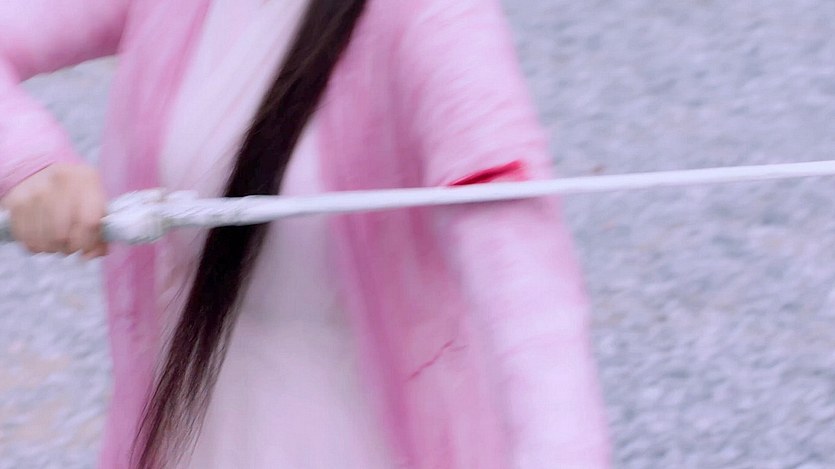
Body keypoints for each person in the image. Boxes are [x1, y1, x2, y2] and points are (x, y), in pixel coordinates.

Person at [0, 0, 611, 467]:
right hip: (190, 432)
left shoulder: (435, 19)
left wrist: (560, 450)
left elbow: (520, 270)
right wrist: (30, 164)